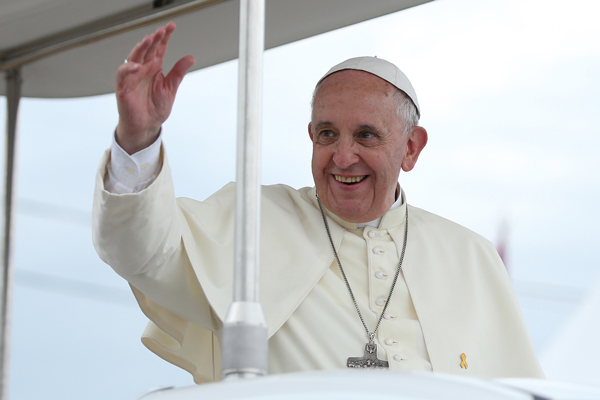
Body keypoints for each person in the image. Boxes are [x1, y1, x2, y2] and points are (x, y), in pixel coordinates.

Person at [93, 22, 544, 383]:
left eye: (366, 135)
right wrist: (138, 138)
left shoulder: (470, 256)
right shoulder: (252, 222)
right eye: (327, 133)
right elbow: (142, 250)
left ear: (411, 148)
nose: (342, 156)